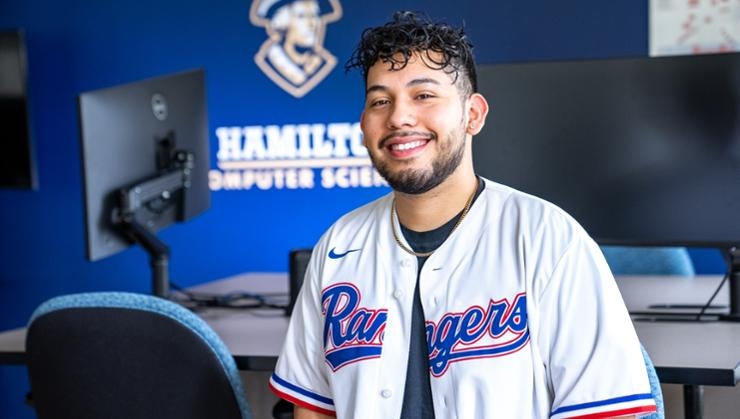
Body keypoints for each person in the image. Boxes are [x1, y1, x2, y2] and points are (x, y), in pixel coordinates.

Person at [269, 10, 658, 419]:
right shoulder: (338, 245)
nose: (399, 117)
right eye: (380, 101)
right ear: (364, 124)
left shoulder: (550, 240)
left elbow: (606, 411)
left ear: (473, 114)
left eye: (424, 95)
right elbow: (312, 406)